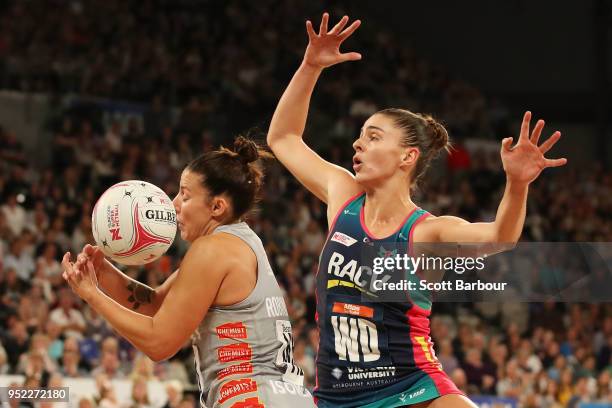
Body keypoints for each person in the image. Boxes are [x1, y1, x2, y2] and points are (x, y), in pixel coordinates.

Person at [266, 13, 567, 408]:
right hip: (337, 395)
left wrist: (517, 184)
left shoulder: (427, 231)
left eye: (373, 137)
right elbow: (283, 138)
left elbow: (501, 238)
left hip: (412, 387)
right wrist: (310, 66)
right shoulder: (343, 197)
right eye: (359, 137)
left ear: (408, 156)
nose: (358, 145)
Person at [62, 137, 316, 407]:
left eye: (185, 194)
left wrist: (91, 296)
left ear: (217, 207)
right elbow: (156, 306)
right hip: (283, 397)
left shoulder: (212, 249)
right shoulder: (240, 240)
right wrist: (102, 274)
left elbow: (159, 343)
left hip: (253, 397)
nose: (174, 204)